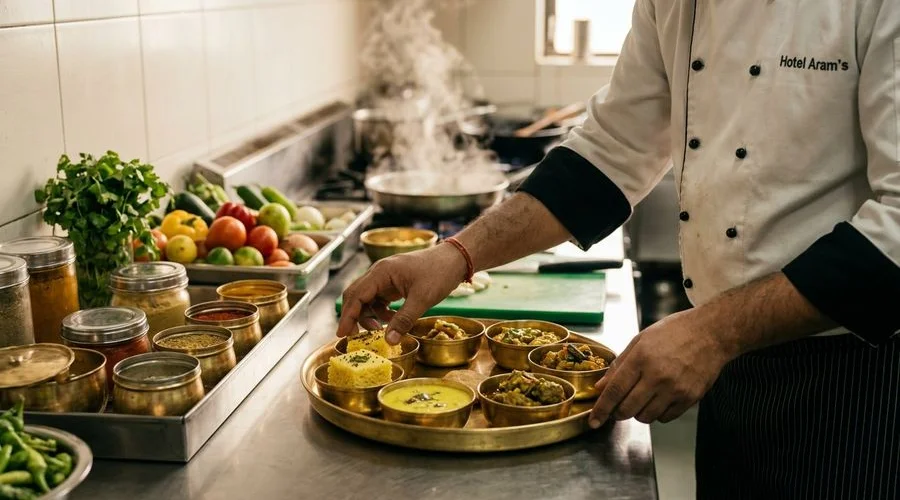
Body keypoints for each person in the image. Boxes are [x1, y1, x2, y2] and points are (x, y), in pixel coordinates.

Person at [338, 1, 900, 497]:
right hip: (732, 373)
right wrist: (455, 255)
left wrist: (712, 331)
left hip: (855, 381)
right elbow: (610, 152)